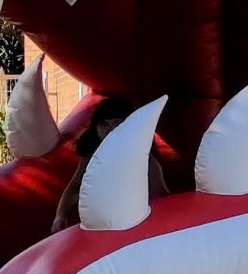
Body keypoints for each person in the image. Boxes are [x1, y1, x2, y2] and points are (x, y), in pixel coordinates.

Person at [49, 94, 167, 231]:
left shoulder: (144, 158)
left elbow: (161, 197)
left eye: (115, 125)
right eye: (104, 125)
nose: (109, 130)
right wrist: (60, 215)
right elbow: (76, 185)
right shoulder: (93, 152)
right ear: (97, 127)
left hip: (133, 221)